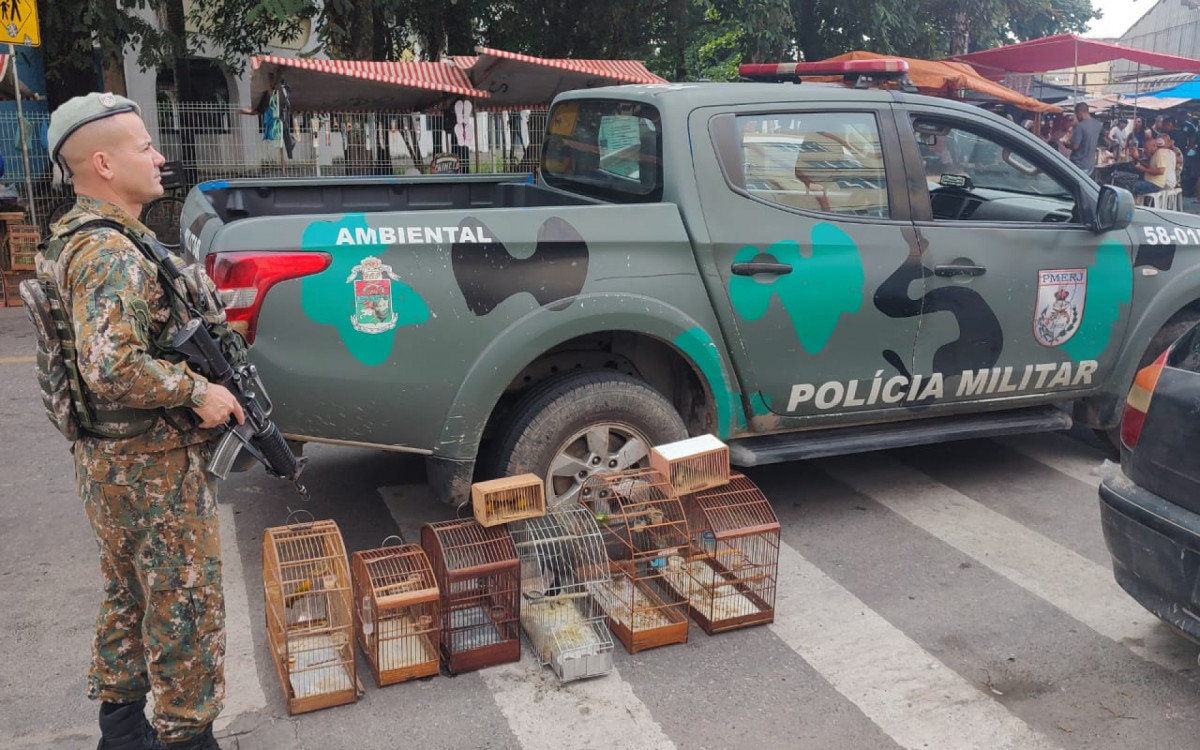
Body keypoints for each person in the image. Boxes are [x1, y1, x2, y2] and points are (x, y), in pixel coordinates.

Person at [44, 93, 245, 750]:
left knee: (130, 597)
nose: (159, 157)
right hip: (150, 470)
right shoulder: (110, 251)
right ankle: (188, 738)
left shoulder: (83, 237)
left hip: (113, 462)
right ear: (102, 163)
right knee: (184, 604)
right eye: (143, 147)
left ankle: (122, 735)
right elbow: (111, 365)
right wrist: (198, 392)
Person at [1065, 101, 1105, 178]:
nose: (1077, 117)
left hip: (1078, 164)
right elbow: (1102, 138)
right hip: (1090, 164)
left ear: (1080, 113)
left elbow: (1075, 146)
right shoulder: (1097, 124)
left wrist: (1066, 144)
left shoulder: (1080, 126)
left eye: (1077, 115)